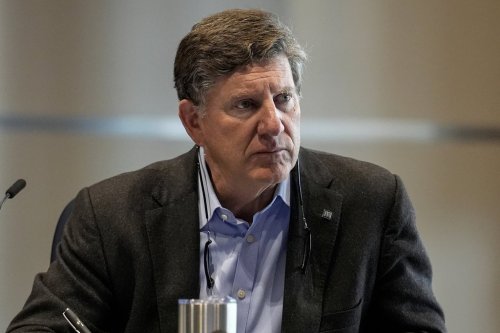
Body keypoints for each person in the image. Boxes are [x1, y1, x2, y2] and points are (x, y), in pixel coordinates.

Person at [7, 8, 446, 333]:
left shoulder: (370, 203)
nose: (274, 124)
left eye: (285, 99)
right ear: (193, 121)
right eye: (246, 105)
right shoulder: (110, 216)